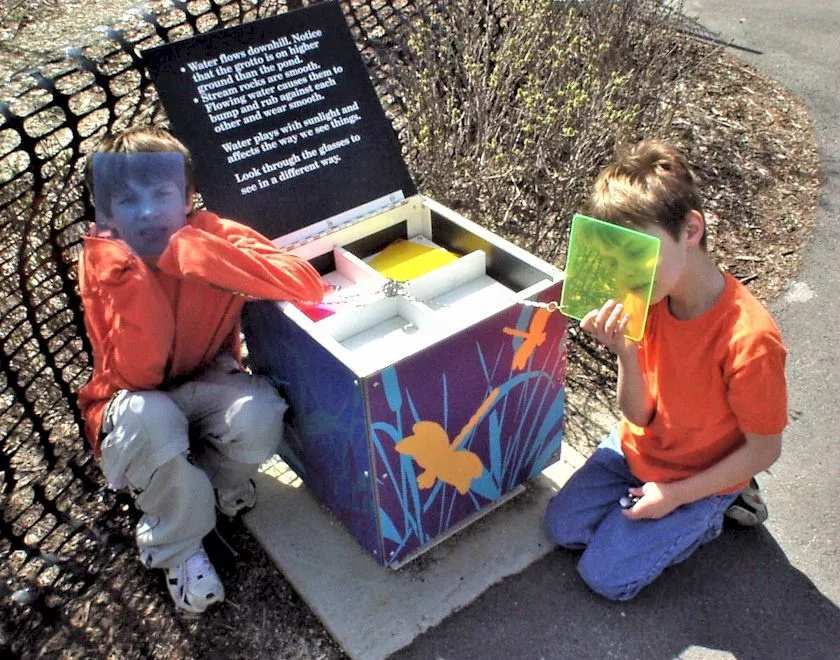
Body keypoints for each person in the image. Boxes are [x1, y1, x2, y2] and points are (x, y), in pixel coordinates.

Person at [78, 126, 325, 615]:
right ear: (104, 210)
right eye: (126, 199)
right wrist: (143, 275)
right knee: (152, 421)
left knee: (258, 415)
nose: (147, 211)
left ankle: (211, 487)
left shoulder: (209, 232)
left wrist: (195, 252)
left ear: (188, 196)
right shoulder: (105, 262)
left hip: (206, 378)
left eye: (162, 194)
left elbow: (306, 284)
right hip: (132, 403)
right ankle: (178, 545)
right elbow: (141, 370)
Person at [545, 139, 787, 601]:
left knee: (606, 577)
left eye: (640, 251)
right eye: (618, 254)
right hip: (644, 447)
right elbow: (637, 416)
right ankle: (663, 505)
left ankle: (718, 505)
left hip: (698, 470)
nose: (626, 272)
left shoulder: (750, 341)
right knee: (563, 528)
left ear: (691, 229)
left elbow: (765, 449)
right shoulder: (650, 298)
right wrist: (626, 352)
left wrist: (676, 496)